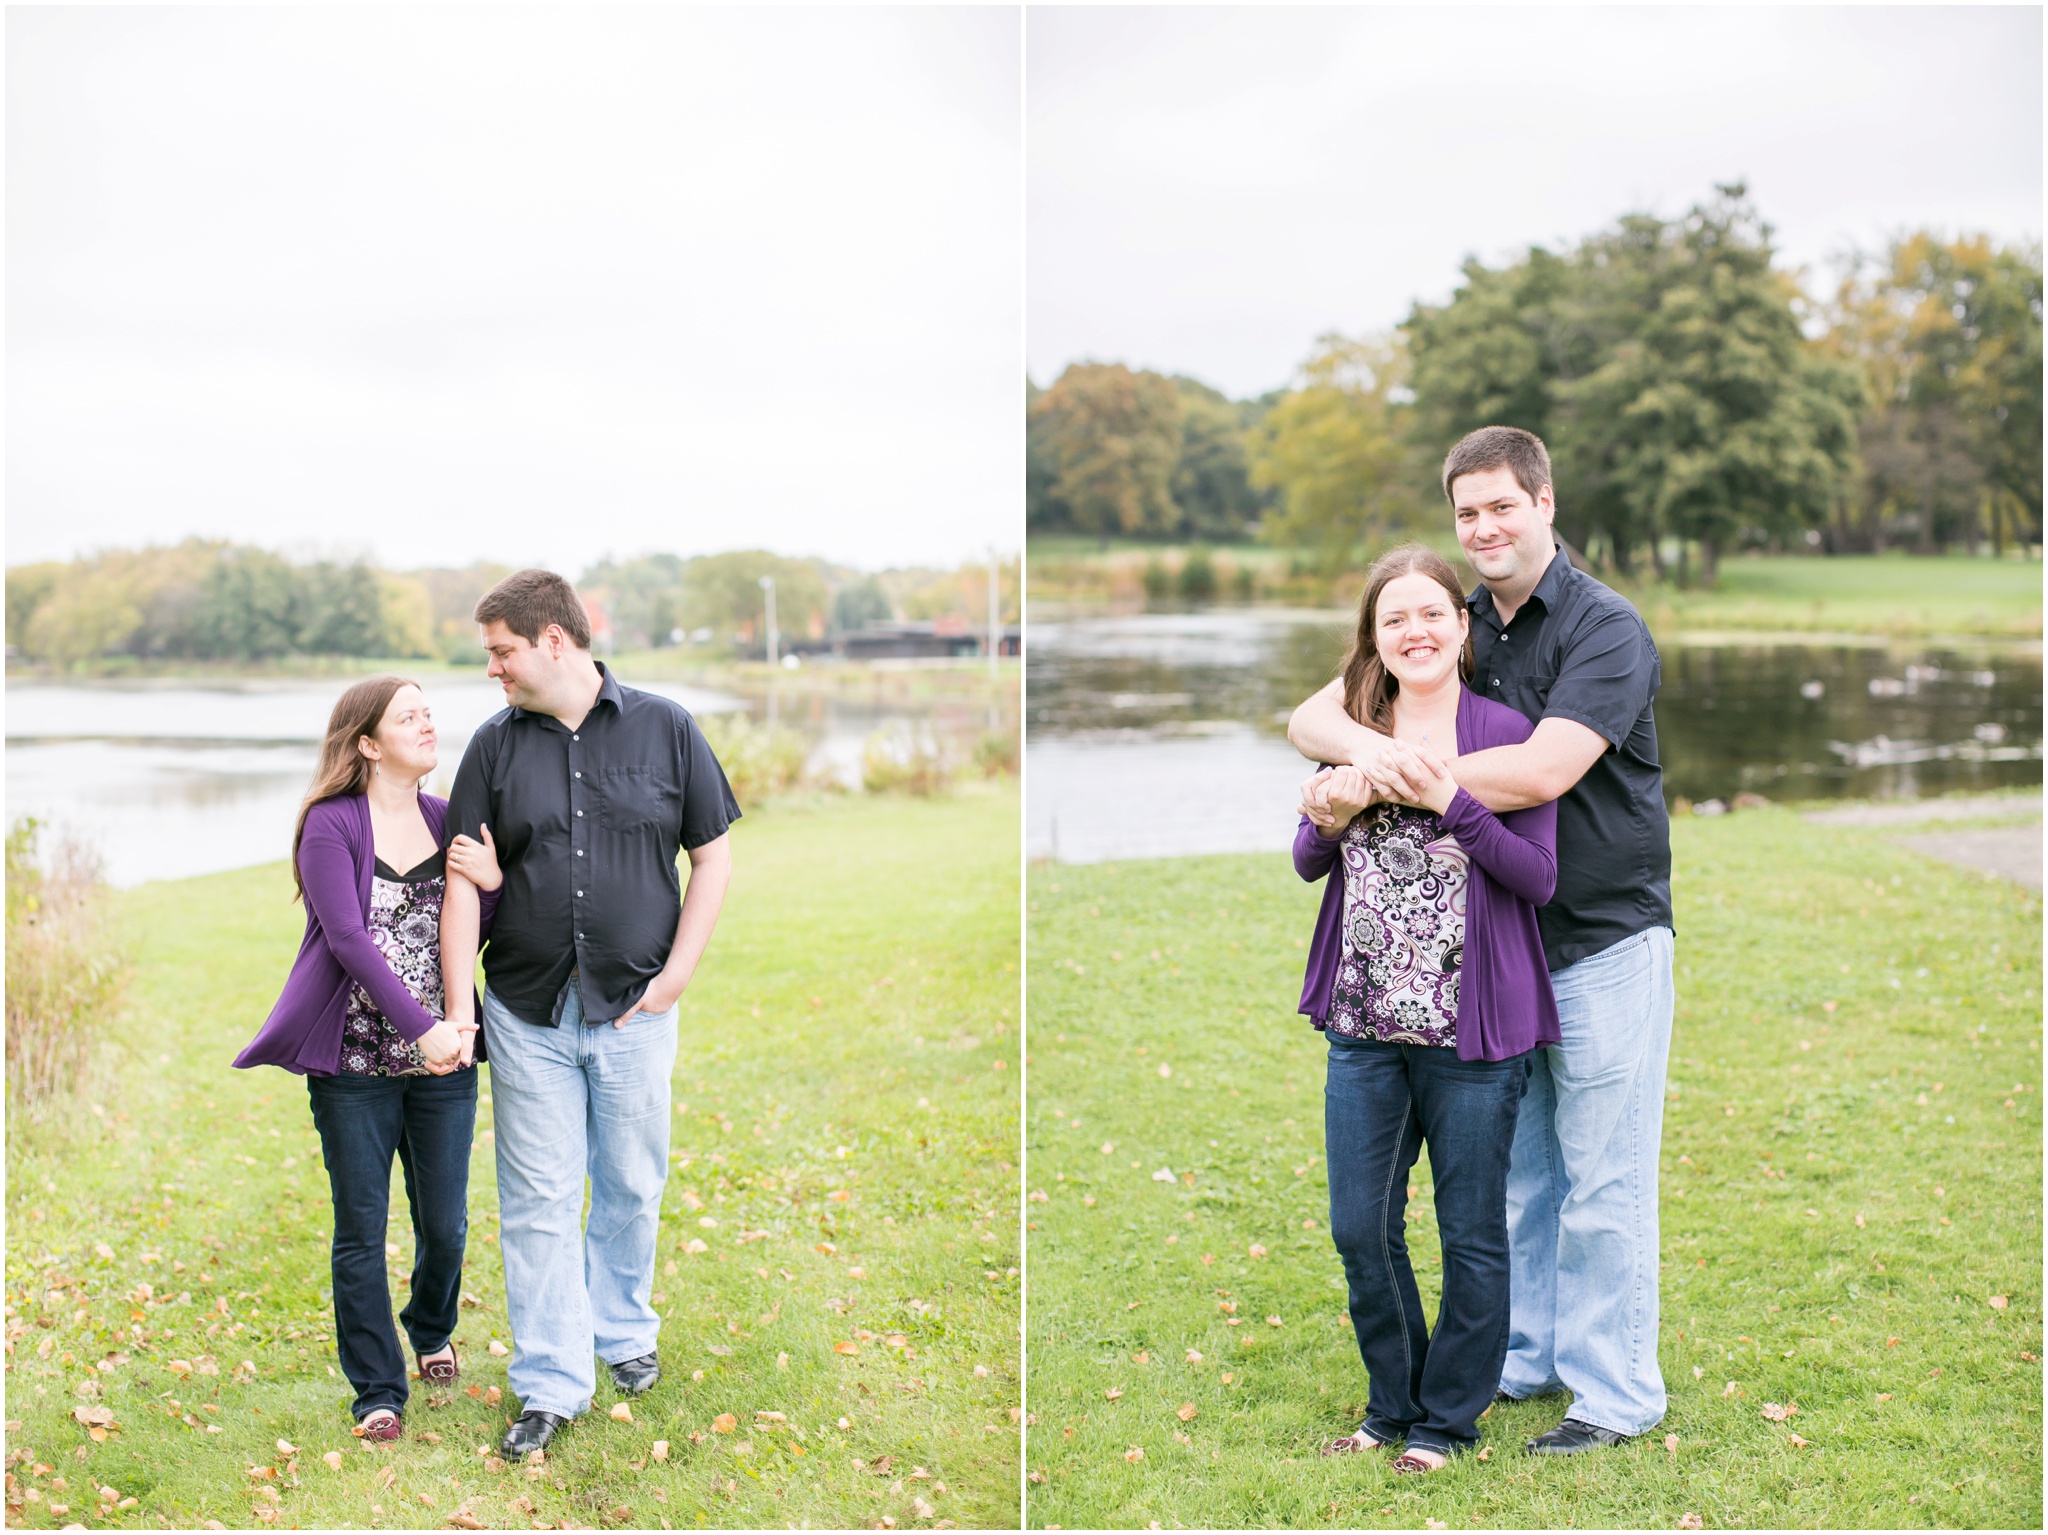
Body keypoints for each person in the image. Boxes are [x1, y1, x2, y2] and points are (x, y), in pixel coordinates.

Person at [1290, 425, 1674, 1455]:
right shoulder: (1461, 616)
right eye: (1466, 511)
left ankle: (1615, 1390)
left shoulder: (1604, 628)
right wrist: (1368, 755)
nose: (1483, 526)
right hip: (1495, 952)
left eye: (1501, 504)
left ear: (1544, 502)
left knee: (1601, 1178)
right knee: (1520, 1176)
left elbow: (1543, 771)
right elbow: (1308, 715)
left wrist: (1398, 775)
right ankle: (1525, 1354)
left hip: (1598, 938)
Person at [439, 569, 738, 1459]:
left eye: (502, 651)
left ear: (554, 641)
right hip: (528, 1011)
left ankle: (624, 1332)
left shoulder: (666, 727)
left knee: (633, 1182)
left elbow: (713, 857)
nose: (493, 668)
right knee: (536, 1199)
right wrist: (463, 1010)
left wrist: (677, 976)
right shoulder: (492, 749)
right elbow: (463, 883)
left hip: (636, 1008)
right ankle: (550, 1381)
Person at [1295, 543, 1559, 1473]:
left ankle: (1446, 1421)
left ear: (1460, 625)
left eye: (1431, 612)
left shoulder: (1508, 732)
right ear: (1374, 636)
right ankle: (1390, 1403)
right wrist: (1326, 817)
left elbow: (1536, 876)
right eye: (1394, 617)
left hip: (1472, 1031)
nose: (1416, 630)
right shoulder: (1355, 728)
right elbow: (1307, 857)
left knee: (1472, 1230)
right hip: (1363, 1022)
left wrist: (1452, 798)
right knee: (1359, 1226)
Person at [234, 675, 503, 1440]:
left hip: (444, 1059)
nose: (427, 723)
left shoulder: (449, 818)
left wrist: (494, 883)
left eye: (428, 711)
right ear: (366, 742)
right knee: (360, 1226)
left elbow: (478, 921)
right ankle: (378, 1388)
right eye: (407, 715)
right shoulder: (331, 823)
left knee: (445, 1225)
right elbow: (348, 937)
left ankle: (429, 1324)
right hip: (353, 1063)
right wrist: (418, 1023)